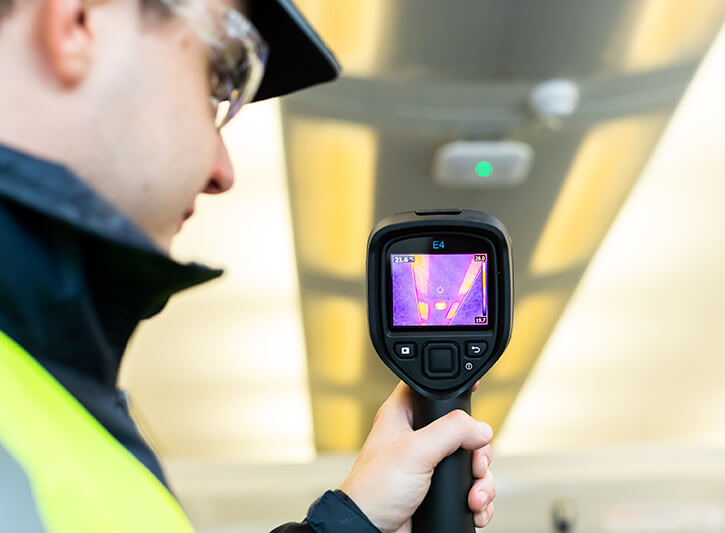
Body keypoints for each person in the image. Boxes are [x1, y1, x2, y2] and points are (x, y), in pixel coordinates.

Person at [0, 0, 497, 531]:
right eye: (217, 86)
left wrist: (357, 519)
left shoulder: (56, 385)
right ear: (79, 20)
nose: (223, 171)